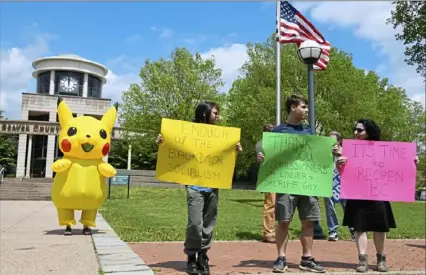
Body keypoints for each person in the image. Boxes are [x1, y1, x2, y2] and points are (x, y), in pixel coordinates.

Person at [155, 101, 243, 275]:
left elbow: (223, 159)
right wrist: (161, 142)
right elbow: (174, 147)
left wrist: (235, 151)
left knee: (209, 224)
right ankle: (191, 256)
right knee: (195, 224)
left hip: (213, 186)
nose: (218, 117)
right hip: (194, 186)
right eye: (215, 113)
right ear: (205, 113)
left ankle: (203, 255)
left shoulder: (221, 135)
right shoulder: (187, 132)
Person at [336, 119, 419, 273]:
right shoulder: (349, 150)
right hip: (357, 194)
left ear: (369, 131)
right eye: (354, 129)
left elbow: (399, 168)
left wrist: (411, 163)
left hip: (378, 194)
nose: (355, 132)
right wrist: (338, 164)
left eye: (359, 130)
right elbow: (344, 175)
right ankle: (362, 259)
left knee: (380, 227)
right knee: (360, 228)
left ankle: (381, 259)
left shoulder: (384, 150)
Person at [257, 94, 325, 273]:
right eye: (303, 107)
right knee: (284, 221)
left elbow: (317, 158)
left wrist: (330, 151)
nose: (306, 111)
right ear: (293, 107)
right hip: (286, 185)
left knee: (308, 222)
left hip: (307, 185)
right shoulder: (278, 132)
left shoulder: (309, 132)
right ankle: (281, 258)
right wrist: (262, 156)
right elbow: (266, 154)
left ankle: (307, 259)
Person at [324, 131, 355, 241]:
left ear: (339, 141)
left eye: (333, 140)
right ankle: (333, 232)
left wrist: (341, 155)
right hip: (328, 184)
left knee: (348, 208)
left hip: (344, 185)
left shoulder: (347, 152)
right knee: (330, 208)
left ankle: (353, 230)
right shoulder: (325, 154)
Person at [255, 123, 276, 243]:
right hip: (269, 179)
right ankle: (268, 233)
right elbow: (260, 156)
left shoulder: (279, 143)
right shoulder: (261, 144)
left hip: (282, 178)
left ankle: (277, 231)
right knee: (270, 204)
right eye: (269, 131)